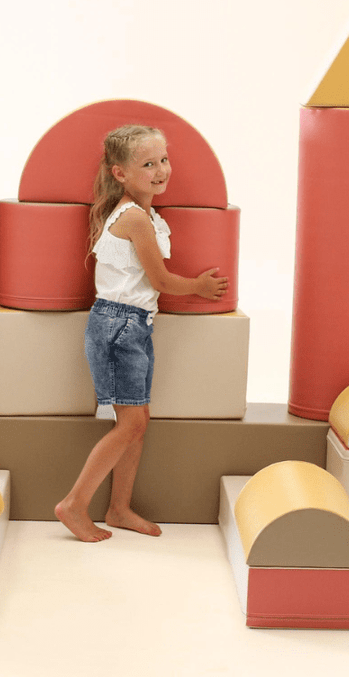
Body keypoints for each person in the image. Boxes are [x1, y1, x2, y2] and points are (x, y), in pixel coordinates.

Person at [54, 124, 228, 542]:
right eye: (148, 164)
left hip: (134, 324)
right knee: (131, 424)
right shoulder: (134, 218)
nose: (160, 170)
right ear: (120, 174)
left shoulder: (145, 216)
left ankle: (119, 508)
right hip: (119, 325)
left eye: (163, 160)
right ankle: (74, 504)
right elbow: (161, 280)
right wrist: (199, 287)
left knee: (137, 421)